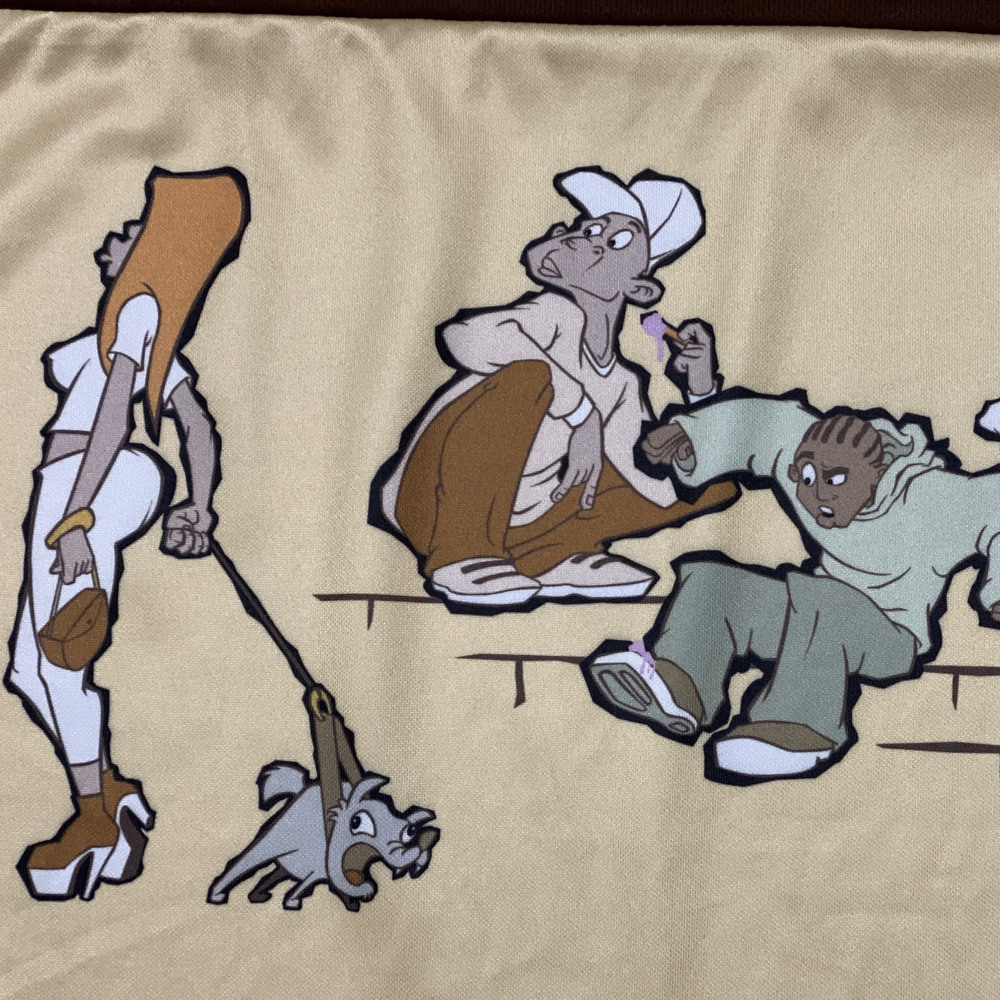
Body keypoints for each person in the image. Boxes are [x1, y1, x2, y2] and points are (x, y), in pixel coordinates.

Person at [5, 166, 250, 900]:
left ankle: (94, 822)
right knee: (28, 669)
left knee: (61, 656)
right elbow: (197, 427)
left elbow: (114, 412)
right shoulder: (132, 326)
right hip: (93, 479)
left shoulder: (141, 306)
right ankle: (107, 790)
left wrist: (78, 515)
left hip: (91, 476)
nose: (121, 230)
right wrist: (198, 503)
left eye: (139, 227)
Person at [582, 392, 1000, 782]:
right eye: (807, 477)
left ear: (875, 477)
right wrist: (690, 437)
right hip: (813, 620)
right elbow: (762, 423)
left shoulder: (931, 500)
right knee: (715, 580)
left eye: (836, 480)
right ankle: (681, 684)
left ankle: (801, 727)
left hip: (891, 636)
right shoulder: (802, 455)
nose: (817, 496)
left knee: (825, 600)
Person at [372, 167, 738, 608]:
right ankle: (461, 554)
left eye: (618, 241)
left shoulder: (622, 384)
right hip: (432, 505)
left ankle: (552, 555)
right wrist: (581, 414)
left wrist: (701, 388)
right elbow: (463, 336)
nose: (592, 238)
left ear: (639, 288)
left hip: (521, 525)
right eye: (592, 229)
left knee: (710, 484)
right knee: (530, 376)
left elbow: (657, 487)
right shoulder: (552, 314)